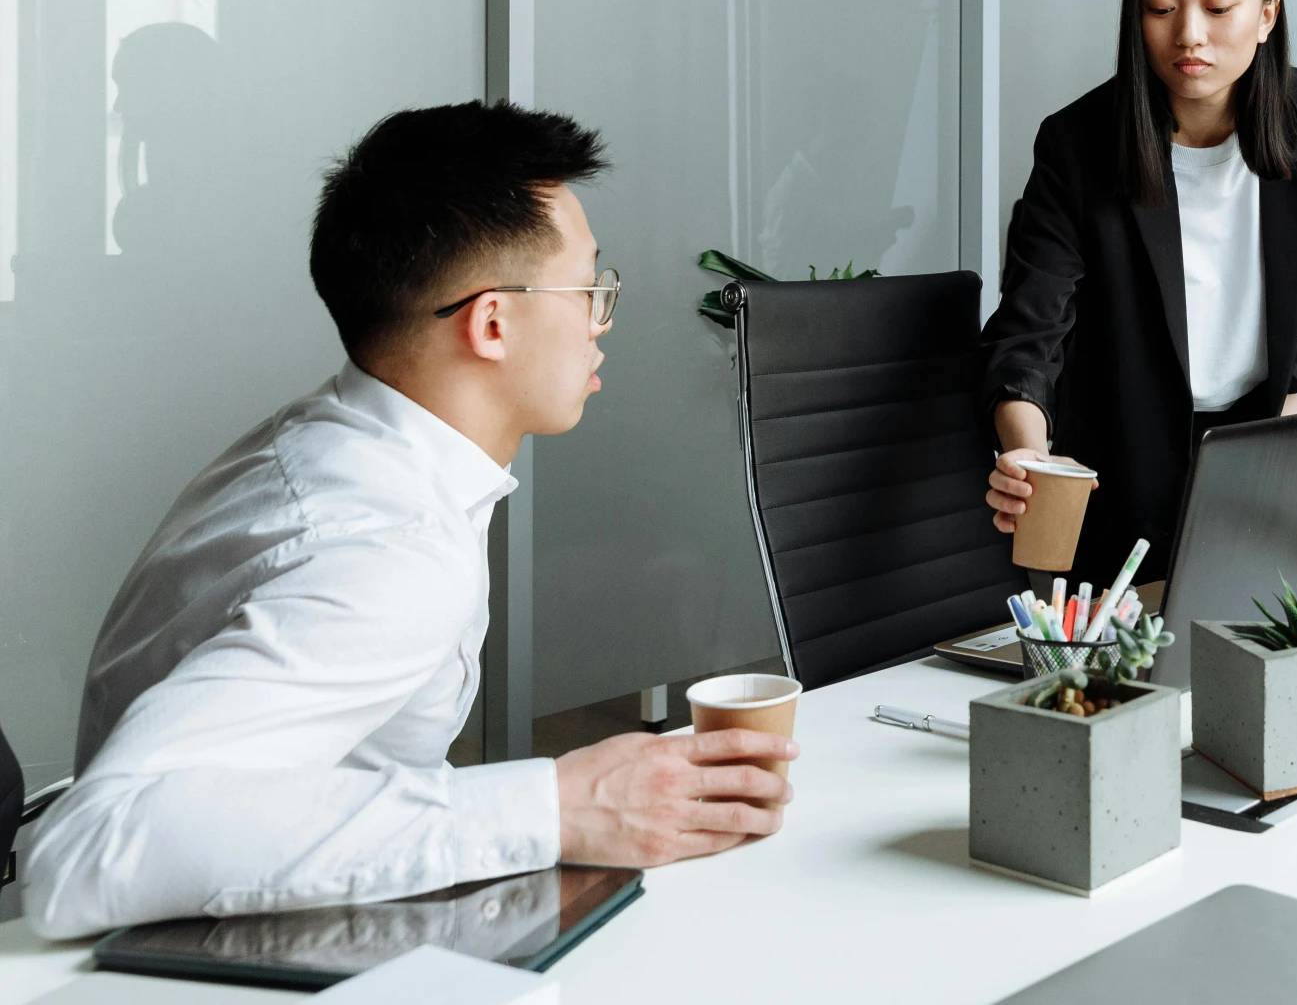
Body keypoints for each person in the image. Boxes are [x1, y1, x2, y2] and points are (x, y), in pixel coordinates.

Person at [22, 103, 795, 939]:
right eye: (589, 290)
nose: (600, 321)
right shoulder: (394, 548)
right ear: (492, 321)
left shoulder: (332, 440)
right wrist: (558, 805)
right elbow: (87, 850)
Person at [979, 0, 1297, 587]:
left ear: (1266, 15)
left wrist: (1273, 456)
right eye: (1159, 8)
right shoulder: (1077, 144)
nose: (1189, 34)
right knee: (1128, 675)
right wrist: (1028, 457)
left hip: (1256, 449)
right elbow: (1027, 333)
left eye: (1218, 7)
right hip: (1117, 458)